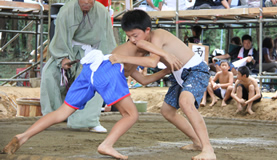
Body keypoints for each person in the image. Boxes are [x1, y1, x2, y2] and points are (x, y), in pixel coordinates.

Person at [1, 40, 177, 159]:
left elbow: (144, 80)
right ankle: (107, 145)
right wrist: (165, 57)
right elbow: (153, 61)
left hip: (91, 69)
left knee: (62, 112)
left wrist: (166, 72)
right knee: (131, 115)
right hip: (107, 68)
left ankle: (23, 137)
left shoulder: (130, 52)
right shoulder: (141, 41)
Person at [110, 9, 216, 160]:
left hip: (195, 69)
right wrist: (165, 71)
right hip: (178, 74)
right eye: (128, 37)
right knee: (167, 111)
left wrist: (121, 58)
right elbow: (143, 80)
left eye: (135, 35)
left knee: (186, 103)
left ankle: (208, 149)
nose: (133, 40)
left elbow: (153, 61)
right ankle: (197, 141)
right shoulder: (142, 47)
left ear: (147, 30)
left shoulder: (157, 35)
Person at [39, 0, 116, 133]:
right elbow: (59, 38)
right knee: (49, 73)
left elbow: (107, 40)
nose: (86, 1)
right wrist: (62, 58)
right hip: (67, 51)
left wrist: (109, 60)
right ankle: (53, 116)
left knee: (96, 75)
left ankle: (87, 120)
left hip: (92, 53)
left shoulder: (102, 12)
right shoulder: (66, 11)